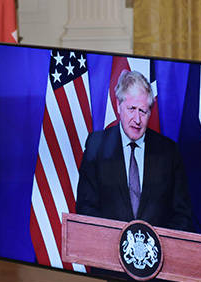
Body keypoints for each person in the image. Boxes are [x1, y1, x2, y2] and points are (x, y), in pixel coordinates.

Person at [76, 69, 194, 232]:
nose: (137, 120)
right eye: (131, 109)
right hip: (106, 252)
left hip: (158, 254)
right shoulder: (97, 145)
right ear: (118, 106)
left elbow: (182, 215)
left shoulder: (169, 152)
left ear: (150, 112)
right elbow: (85, 209)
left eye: (143, 111)